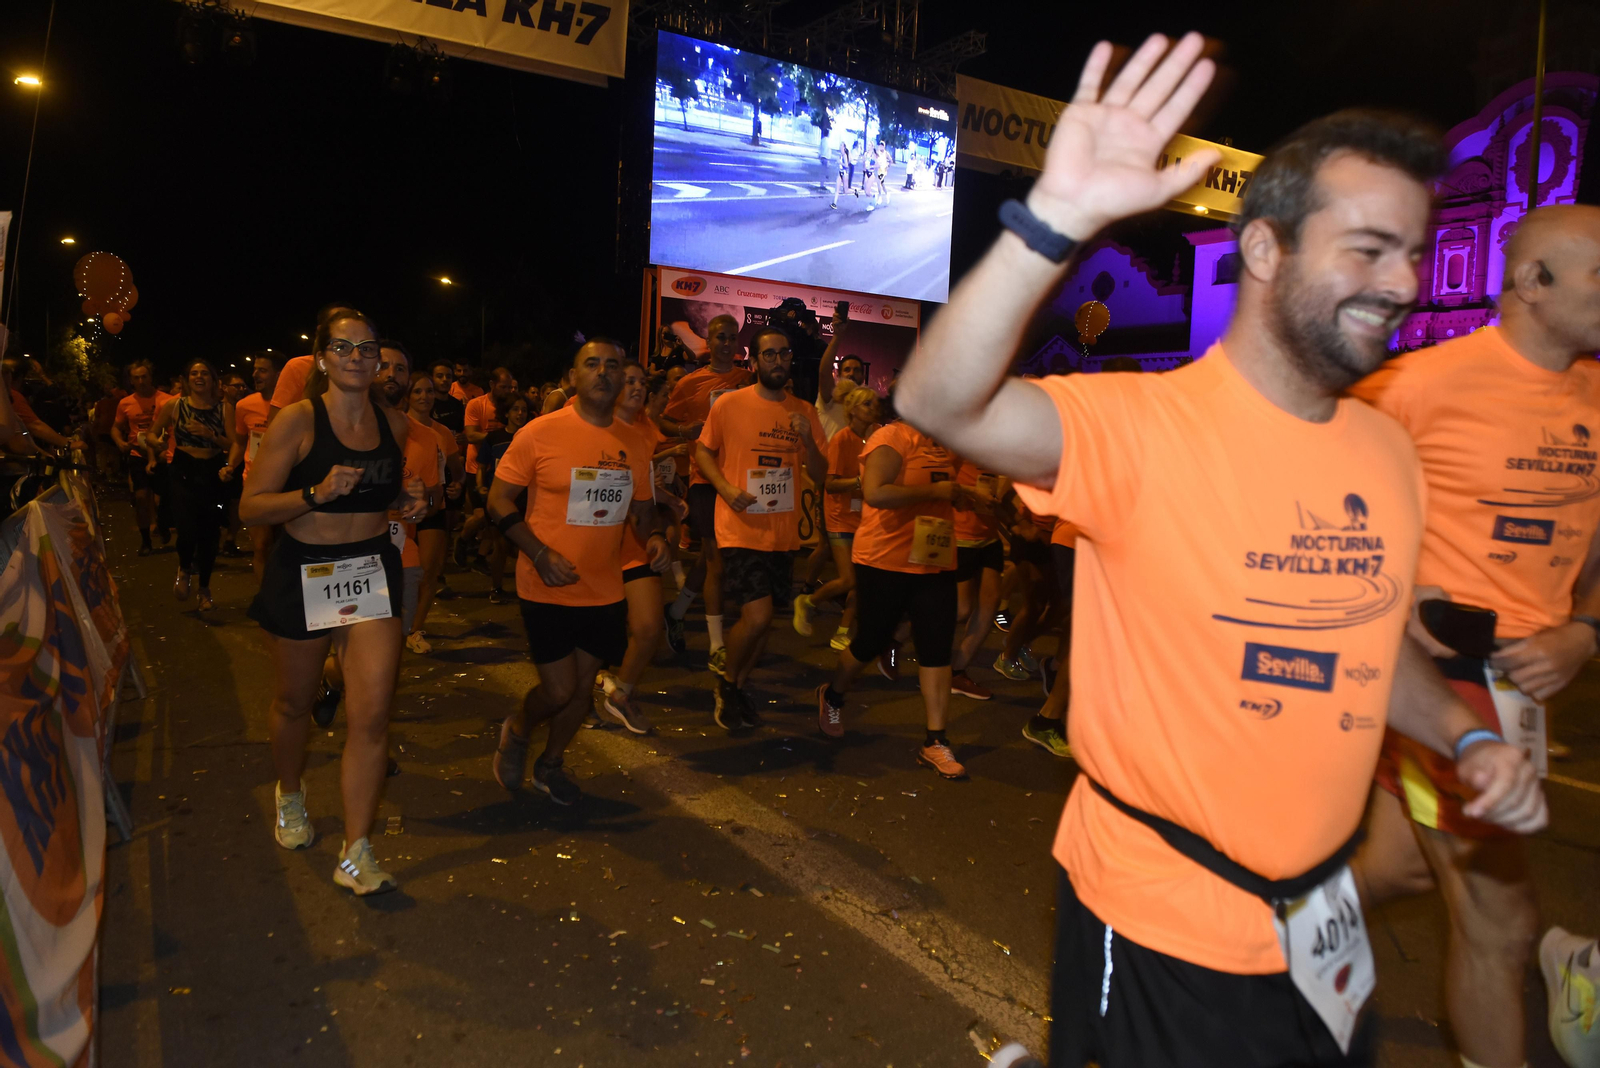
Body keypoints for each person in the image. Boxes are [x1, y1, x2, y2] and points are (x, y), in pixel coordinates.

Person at [893, 34, 1548, 1066]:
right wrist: (1053, 220)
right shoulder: (1143, 426)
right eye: (1367, 248)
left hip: (1322, 931)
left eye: (1414, 252)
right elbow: (936, 400)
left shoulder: (1386, 450)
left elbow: (1373, 649)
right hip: (1159, 921)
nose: (1403, 281)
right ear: (1262, 249)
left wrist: (1466, 741)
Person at [1347, 203, 1600, 1068]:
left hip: (1528, 688)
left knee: (1401, 868)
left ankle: (1263, 937)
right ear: (1534, 282)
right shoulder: (1420, 383)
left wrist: (1586, 631)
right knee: (1499, 917)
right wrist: (1393, 581)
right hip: (1442, 677)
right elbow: (1312, 482)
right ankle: (1555, 960)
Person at [240, 311, 426, 896]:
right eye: (342, 346)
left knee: (370, 716)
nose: (356, 356)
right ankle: (290, 794)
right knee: (294, 702)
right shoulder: (298, 420)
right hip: (304, 569)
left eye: (367, 348)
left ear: (378, 363)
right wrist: (313, 493)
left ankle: (356, 850)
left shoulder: (395, 424)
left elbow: (388, 488)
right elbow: (251, 507)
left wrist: (408, 496)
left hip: (369, 568)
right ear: (322, 359)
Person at [485, 339, 666, 805]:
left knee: (583, 692)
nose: (604, 372)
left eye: (613, 366)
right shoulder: (540, 432)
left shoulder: (636, 444)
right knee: (560, 689)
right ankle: (520, 729)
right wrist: (540, 553)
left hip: (604, 588)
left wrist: (658, 537)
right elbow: (498, 500)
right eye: (592, 364)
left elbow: (642, 515)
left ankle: (550, 764)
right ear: (573, 377)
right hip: (544, 582)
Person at [814, 419, 977, 780]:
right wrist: (935, 494)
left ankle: (935, 741)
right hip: (884, 559)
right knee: (869, 641)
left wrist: (966, 496)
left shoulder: (947, 439)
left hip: (933, 558)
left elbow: (950, 484)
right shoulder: (893, 437)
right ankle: (834, 695)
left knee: (936, 648)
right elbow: (875, 493)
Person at [695, 326, 827, 729]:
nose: (777, 361)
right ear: (753, 362)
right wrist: (724, 487)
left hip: (782, 534)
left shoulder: (804, 411)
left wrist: (810, 442)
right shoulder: (729, 405)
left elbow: (820, 475)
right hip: (739, 527)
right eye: (768, 355)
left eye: (783, 354)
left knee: (765, 622)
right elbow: (703, 450)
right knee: (756, 617)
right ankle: (726, 683)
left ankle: (736, 684)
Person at [659, 315, 756, 667]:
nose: (727, 343)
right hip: (705, 479)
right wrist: (688, 429)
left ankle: (677, 610)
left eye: (732, 338)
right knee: (717, 561)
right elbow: (664, 421)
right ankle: (717, 646)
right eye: (720, 337)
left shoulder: (748, 380)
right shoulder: (690, 383)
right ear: (709, 342)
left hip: (739, 479)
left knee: (710, 559)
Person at [597, 362, 686, 734]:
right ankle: (594, 684)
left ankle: (619, 694)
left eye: (641, 382)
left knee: (650, 628)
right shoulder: (587, 425)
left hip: (636, 539)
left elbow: (643, 486)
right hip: (595, 546)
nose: (636, 387)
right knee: (597, 636)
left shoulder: (647, 431)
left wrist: (663, 520)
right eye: (628, 381)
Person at [147, 359, 238, 610]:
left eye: (205, 373)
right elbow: (151, 434)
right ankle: (185, 567)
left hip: (211, 472)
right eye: (194, 373)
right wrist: (157, 444)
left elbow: (233, 443)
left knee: (210, 534)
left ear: (213, 380)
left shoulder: (224, 409)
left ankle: (205, 589)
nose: (199, 377)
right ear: (187, 380)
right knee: (186, 528)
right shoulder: (175, 405)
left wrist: (211, 436)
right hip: (183, 470)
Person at [794, 387, 879, 648]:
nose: (873, 408)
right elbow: (830, 484)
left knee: (861, 580)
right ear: (852, 410)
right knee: (849, 578)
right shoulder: (842, 439)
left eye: (875, 403)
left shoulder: (875, 437)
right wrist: (859, 481)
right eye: (866, 404)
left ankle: (842, 630)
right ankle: (808, 600)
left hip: (864, 516)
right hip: (840, 516)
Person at [403, 372, 463, 653]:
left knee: (428, 571)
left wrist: (457, 487)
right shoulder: (395, 427)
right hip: (396, 510)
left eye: (428, 392)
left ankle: (414, 630)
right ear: (408, 396)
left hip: (432, 507)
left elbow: (456, 471)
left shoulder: (442, 433)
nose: (424, 397)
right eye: (417, 392)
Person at [948, 460, 1008, 701]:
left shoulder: (996, 441)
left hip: (988, 535)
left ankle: (956, 671)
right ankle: (895, 634)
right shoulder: (958, 440)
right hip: (961, 534)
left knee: (991, 602)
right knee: (961, 610)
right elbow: (938, 480)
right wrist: (971, 493)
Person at [112, 360, 175, 555]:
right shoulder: (126, 403)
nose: (141, 381)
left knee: (161, 499)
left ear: (151, 377)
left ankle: (163, 525)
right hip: (137, 454)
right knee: (141, 497)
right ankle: (146, 541)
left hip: (162, 454)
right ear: (131, 381)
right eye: (136, 378)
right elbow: (115, 427)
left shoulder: (166, 400)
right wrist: (119, 442)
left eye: (144, 376)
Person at [458, 368, 518, 571]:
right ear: (492, 385)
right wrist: (499, 438)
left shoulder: (510, 407)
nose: (508, 391)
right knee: (481, 516)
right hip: (477, 468)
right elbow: (471, 435)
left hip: (501, 472)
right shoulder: (477, 404)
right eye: (503, 387)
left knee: (495, 518)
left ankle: (482, 557)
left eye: (510, 387)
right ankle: (463, 540)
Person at [476, 394, 530, 604]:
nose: (520, 414)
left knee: (523, 545)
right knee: (499, 544)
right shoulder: (495, 438)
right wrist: (480, 487)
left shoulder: (532, 436)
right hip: (499, 498)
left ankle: (527, 589)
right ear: (506, 413)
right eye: (515, 409)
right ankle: (496, 587)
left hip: (525, 498)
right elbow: (482, 466)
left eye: (524, 410)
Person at [232, 353, 280, 579]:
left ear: (278, 374)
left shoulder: (296, 404)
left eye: (262, 370)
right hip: (254, 483)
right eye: (255, 369)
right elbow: (240, 442)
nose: (255, 374)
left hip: (286, 484)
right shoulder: (244, 406)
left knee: (283, 548)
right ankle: (265, 601)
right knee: (261, 546)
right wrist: (229, 466)